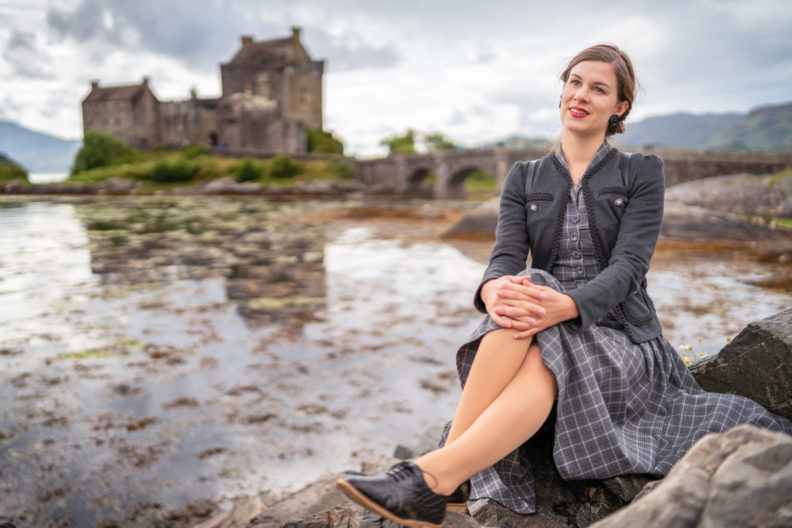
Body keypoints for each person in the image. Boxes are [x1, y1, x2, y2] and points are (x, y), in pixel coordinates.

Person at [336, 44, 792, 527]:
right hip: (539, 323)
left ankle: (439, 473)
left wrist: (568, 306)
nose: (580, 95)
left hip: (621, 338)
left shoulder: (641, 172)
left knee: (537, 321)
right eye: (574, 82)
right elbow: (504, 260)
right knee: (524, 285)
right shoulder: (524, 177)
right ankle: (440, 479)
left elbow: (630, 268)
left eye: (598, 89)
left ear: (619, 108)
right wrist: (490, 290)